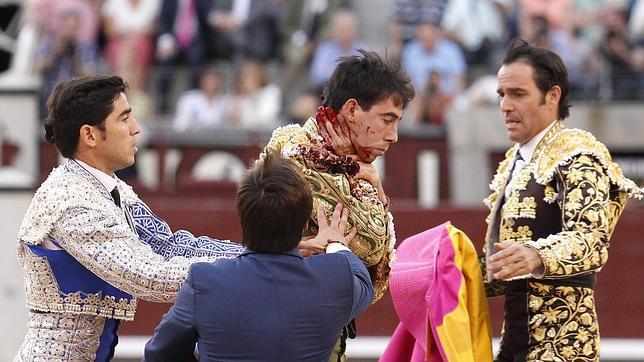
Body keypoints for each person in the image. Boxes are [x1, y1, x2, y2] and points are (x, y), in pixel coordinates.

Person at [14, 75, 245, 361]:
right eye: (124, 119)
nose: (136, 129)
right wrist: (251, 267)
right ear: (90, 135)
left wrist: (257, 253)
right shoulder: (71, 202)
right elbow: (148, 274)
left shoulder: (110, 189)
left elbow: (168, 246)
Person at [483, 38, 643, 361]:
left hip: (567, 346)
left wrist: (536, 255)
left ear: (552, 96)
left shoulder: (578, 154)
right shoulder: (511, 165)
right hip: (515, 342)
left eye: (518, 94)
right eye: (502, 95)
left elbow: (592, 241)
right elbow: (501, 268)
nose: (505, 105)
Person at [143, 149, 374, 361]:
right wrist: (335, 243)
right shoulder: (334, 277)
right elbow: (362, 279)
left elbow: (158, 356)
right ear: (305, 222)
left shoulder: (205, 280)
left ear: (243, 217)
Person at [263, 49, 415, 361]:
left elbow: (377, 269)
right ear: (351, 110)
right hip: (291, 334)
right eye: (387, 120)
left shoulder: (343, 162)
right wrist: (367, 184)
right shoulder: (298, 154)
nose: (394, 136)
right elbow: (372, 245)